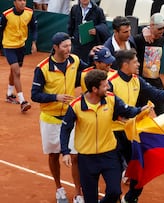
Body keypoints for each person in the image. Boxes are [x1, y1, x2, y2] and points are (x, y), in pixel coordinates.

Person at [107, 49, 164, 203]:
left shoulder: (136, 80)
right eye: (135, 62)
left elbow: (156, 94)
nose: (139, 64)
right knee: (114, 174)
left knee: (139, 171)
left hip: (130, 131)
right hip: (111, 133)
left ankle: (130, 198)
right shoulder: (110, 82)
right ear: (125, 65)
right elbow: (107, 109)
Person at [60, 69, 150, 203]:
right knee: (90, 198)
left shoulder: (111, 99)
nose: (108, 87)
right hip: (87, 158)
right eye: (104, 85)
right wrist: (65, 151)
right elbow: (65, 129)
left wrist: (140, 110)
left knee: (115, 192)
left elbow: (127, 110)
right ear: (95, 89)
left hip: (109, 155)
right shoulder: (76, 106)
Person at [31, 32, 88, 203]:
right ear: (55, 47)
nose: (68, 49)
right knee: (54, 155)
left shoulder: (74, 60)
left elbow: (87, 69)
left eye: (69, 45)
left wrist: (94, 56)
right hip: (50, 119)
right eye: (65, 46)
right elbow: (35, 95)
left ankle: (78, 192)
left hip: (69, 118)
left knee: (75, 156)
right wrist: (55, 97)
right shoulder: (42, 68)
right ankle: (59, 188)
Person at [0, 0, 37, 112]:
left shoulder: (29, 13)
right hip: (9, 46)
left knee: (14, 70)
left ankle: (10, 94)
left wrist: (34, 42)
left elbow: (34, 28)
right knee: (17, 72)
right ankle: (22, 101)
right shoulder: (6, 15)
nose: (23, 3)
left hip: (21, 46)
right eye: (20, 0)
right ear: (14, 2)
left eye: (24, 0)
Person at [134, 12, 164, 115]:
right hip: (141, 83)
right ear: (151, 26)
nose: (162, 31)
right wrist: (144, 29)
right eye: (159, 29)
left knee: (162, 112)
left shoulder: (162, 39)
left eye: (163, 29)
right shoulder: (139, 39)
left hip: (156, 81)